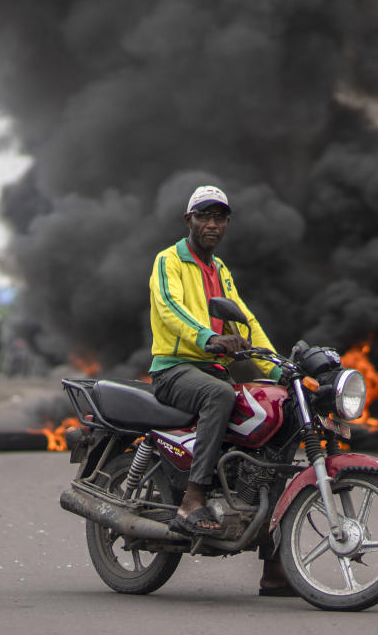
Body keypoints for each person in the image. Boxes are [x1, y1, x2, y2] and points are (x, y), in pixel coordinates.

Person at [148, 184, 292, 596]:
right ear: (188, 220)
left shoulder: (221, 270)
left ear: (227, 223)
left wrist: (278, 368)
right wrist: (206, 339)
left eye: (219, 218)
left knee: (275, 424)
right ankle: (192, 498)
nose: (211, 224)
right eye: (203, 216)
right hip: (176, 368)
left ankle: (276, 567)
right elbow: (169, 309)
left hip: (213, 368)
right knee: (221, 395)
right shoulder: (169, 260)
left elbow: (244, 320)